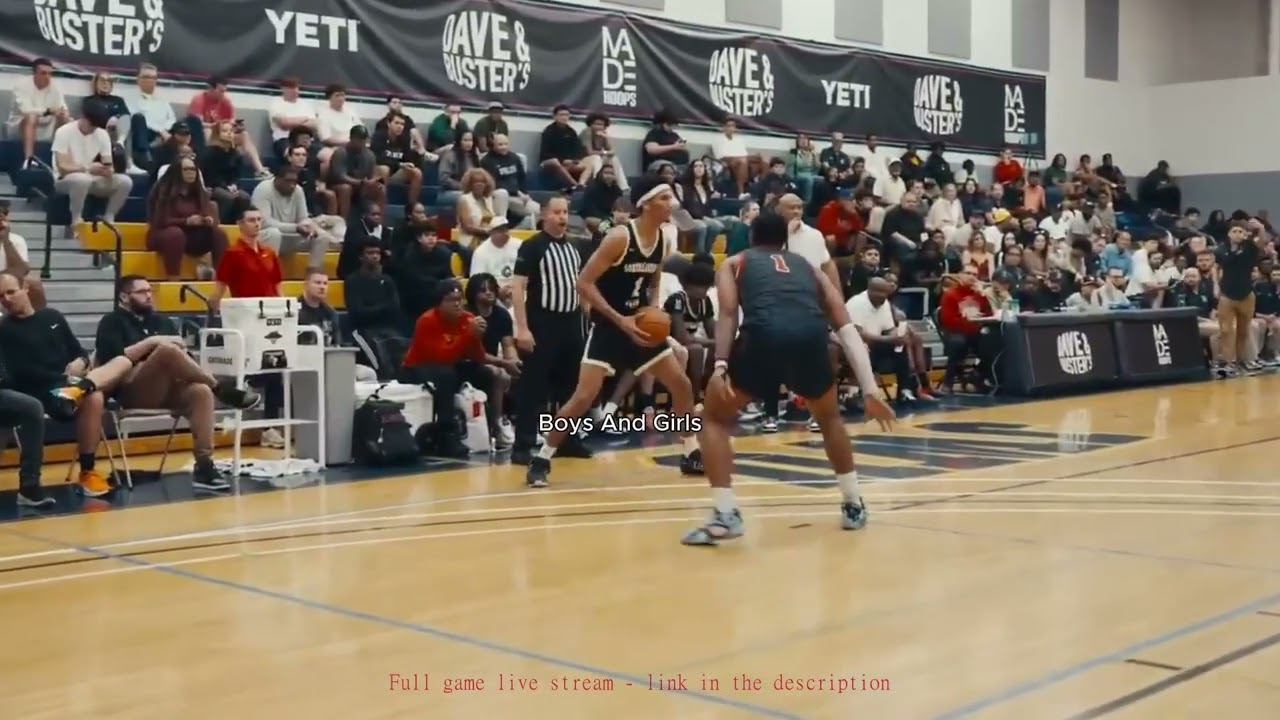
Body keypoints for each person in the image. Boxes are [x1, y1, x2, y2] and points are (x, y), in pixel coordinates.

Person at [685, 213, 895, 545]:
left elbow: (727, 312)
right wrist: (869, 389)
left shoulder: (735, 263)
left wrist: (721, 366)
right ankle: (853, 503)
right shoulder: (809, 267)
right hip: (811, 341)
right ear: (785, 241)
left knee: (712, 418)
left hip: (763, 340)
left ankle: (726, 514)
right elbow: (845, 326)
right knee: (829, 420)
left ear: (751, 237)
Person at [525, 175, 702, 488]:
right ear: (645, 204)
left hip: (641, 327)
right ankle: (541, 458)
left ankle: (691, 452)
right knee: (582, 398)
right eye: (664, 198)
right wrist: (621, 320)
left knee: (682, 384)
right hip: (609, 329)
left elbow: (653, 280)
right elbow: (584, 283)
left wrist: (653, 310)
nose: (671, 204)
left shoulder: (663, 239)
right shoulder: (620, 237)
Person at [94, 274, 262, 491]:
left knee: (200, 391)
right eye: (142, 292)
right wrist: (153, 342)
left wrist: (169, 350)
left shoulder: (161, 321)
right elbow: (112, 362)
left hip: (168, 389)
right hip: (132, 390)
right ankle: (221, 389)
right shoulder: (111, 322)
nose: (149, 296)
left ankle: (204, 465)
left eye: (150, 291)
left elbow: (184, 357)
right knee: (166, 350)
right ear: (124, 297)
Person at [0, 272, 134, 497]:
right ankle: (83, 388)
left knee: (121, 363)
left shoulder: (52, 317)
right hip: (40, 392)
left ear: (25, 289)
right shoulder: (4, 329)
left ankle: (87, 472)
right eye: (1, 296)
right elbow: (14, 375)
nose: (6, 299)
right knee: (94, 394)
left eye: (11, 292)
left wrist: (80, 362)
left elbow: (80, 352)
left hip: (68, 384)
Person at [509, 197, 591, 463]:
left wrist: (588, 316)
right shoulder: (532, 246)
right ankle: (522, 445)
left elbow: (581, 285)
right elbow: (518, 287)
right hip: (542, 322)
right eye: (556, 212)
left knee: (571, 386)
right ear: (544, 214)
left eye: (565, 212)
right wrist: (522, 329)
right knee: (533, 386)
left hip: (571, 322)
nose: (562, 217)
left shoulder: (575, 246)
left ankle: (568, 439)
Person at [400, 279, 501, 457]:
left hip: (447, 365)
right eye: (450, 300)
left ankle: (491, 428)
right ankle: (447, 435)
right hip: (416, 368)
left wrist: (478, 338)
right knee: (446, 376)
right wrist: (468, 335)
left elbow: (478, 355)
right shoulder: (427, 321)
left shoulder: (467, 318)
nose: (457, 304)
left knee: (484, 373)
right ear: (439, 303)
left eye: (459, 299)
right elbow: (442, 357)